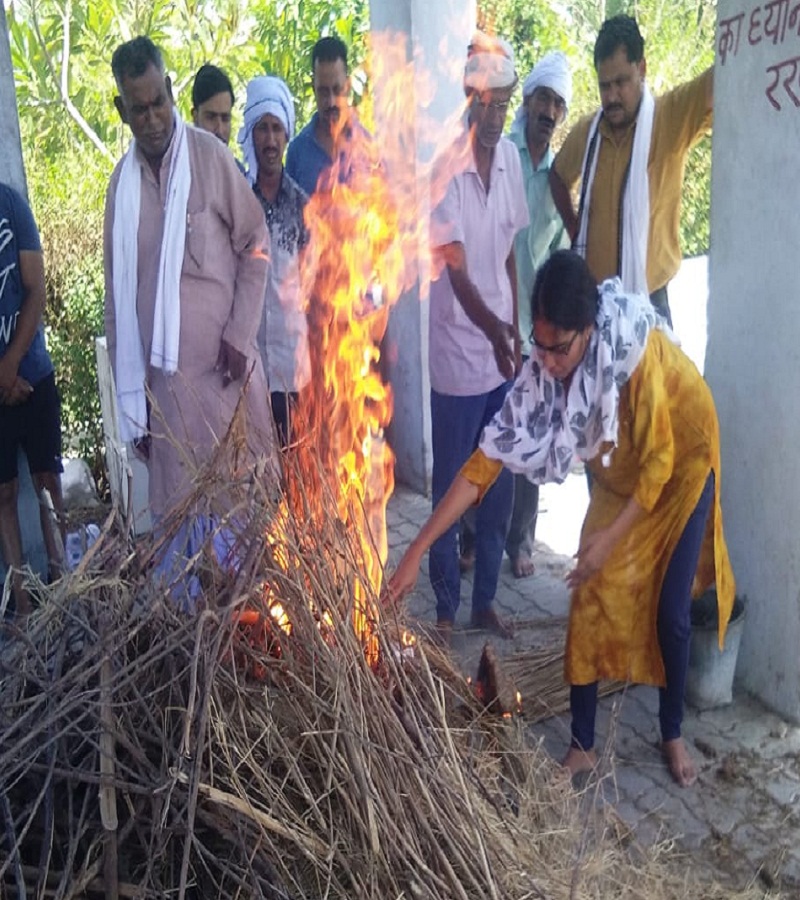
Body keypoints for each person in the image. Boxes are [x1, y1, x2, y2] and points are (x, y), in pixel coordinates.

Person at [389, 249, 735, 788]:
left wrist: (609, 541)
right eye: (540, 344)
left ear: (589, 330)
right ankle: (583, 746)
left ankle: (671, 731)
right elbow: (484, 463)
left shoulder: (635, 352)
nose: (547, 361)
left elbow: (660, 463)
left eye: (559, 349)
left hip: (682, 465)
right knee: (589, 594)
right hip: (625, 471)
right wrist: (415, 550)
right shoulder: (544, 370)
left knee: (670, 607)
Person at [103, 36, 277, 605]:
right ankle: (193, 646)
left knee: (244, 552)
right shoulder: (120, 191)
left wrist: (239, 333)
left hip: (226, 393)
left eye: (159, 102)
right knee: (183, 570)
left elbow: (256, 243)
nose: (153, 119)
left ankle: (251, 641)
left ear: (172, 92)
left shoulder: (209, 157)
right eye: (139, 109)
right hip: (168, 410)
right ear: (121, 109)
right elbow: (116, 302)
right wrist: (132, 411)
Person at [425, 31, 529, 642]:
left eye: (504, 105)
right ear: (469, 100)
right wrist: (495, 330)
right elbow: (457, 270)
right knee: (450, 489)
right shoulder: (446, 168)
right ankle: (444, 607)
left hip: (499, 356)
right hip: (459, 356)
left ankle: (484, 601)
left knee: (499, 483)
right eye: (486, 105)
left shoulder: (510, 159)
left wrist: (513, 324)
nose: (495, 118)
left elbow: (508, 250)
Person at [461, 51, 573, 580]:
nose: (548, 111)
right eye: (542, 99)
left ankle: (520, 541)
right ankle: (468, 537)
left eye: (557, 104)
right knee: (486, 437)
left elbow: (563, 249)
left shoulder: (560, 176)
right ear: (526, 100)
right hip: (494, 325)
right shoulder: (501, 153)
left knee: (532, 436)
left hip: (538, 332)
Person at [549, 14, 713, 324]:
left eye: (621, 82)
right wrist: (576, 227)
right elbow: (557, 177)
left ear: (642, 69)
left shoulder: (670, 117)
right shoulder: (588, 133)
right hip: (595, 301)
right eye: (604, 86)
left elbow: (721, 79)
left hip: (650, 302)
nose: (611, 96)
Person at [0, 182, 66, 620]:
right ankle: (22, 606)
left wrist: (10, 365)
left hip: (34, 373)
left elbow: (36, 289)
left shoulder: (12, 205)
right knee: (3, 493)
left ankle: (64, 589)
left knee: (48, 482)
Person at [238, 75, 310, 447]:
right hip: (247, 371)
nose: (269, 140)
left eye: (276, 129)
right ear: (251, 133)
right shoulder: (238, 200)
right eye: (262, 128)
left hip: (292, 370)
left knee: (296, 467)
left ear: (286, 135)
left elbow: (314, 286)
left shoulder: (301, 206)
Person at [285, 36, 373, 198]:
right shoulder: (298, 152)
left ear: (347, 86)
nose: (331, 101)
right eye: (323, 92)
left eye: (337, 90)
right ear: (314, 88)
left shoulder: (369, 148)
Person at [191, 63, 235, 146]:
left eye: (225, 119)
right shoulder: (178, 153)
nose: (219, 130)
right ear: (195, 117)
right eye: (211, 117)